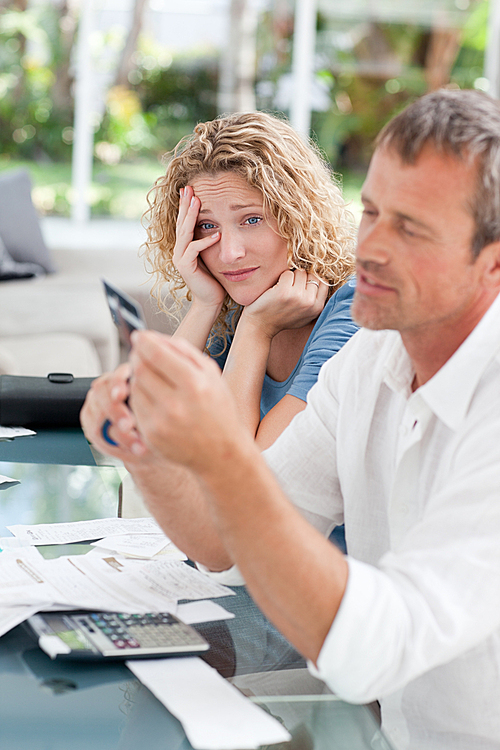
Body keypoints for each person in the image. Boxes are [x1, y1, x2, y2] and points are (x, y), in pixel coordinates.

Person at [81, 88, 500, 749]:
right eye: (371, 212)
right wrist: (144, 450)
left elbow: (379, 645)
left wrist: (219, 454)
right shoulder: (371, 361)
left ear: (493, 262)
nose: (372, 247)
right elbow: (226, 550)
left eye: (412, 227)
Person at [142, 111, 358, 449]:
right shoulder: (243, 300)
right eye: (207, 225)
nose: (229, 254)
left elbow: (247, 472)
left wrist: (257, 328)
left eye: (251, 219)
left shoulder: (352, 309)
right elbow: (151, 428)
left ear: (296, 216)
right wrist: (205, 304)